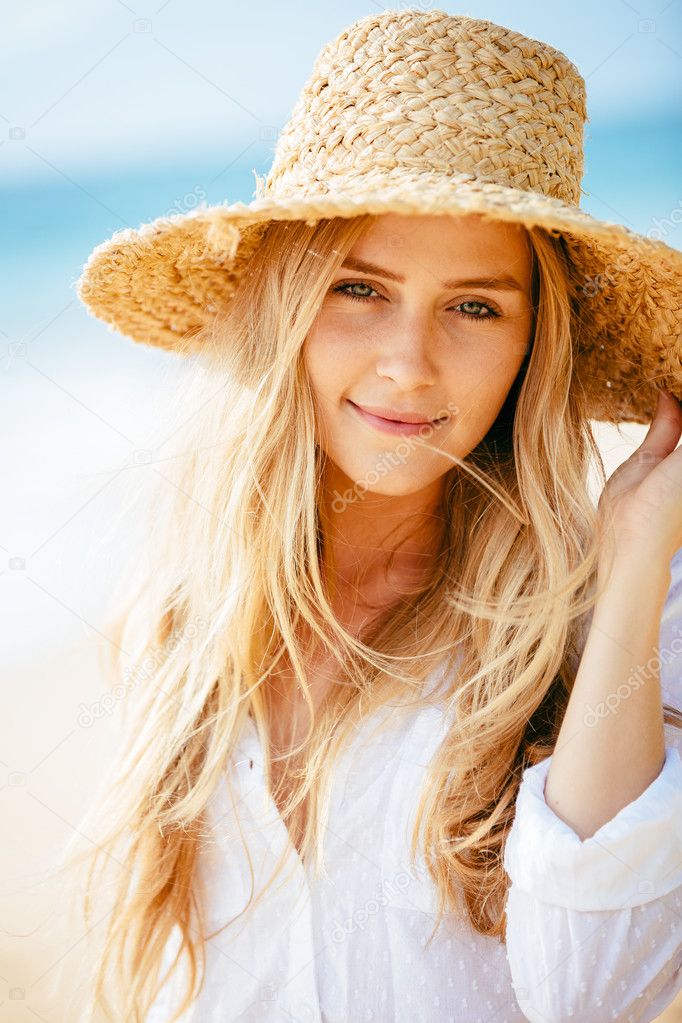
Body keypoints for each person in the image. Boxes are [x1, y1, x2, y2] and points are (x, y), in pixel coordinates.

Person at [68, 8, 682, 1022]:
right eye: (361, 288)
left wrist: (627, 569)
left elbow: (590, 990)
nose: (407, 363)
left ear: (537, 344)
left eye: (475, 306)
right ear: (290, 309)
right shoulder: (182, 617)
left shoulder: (618, 620)